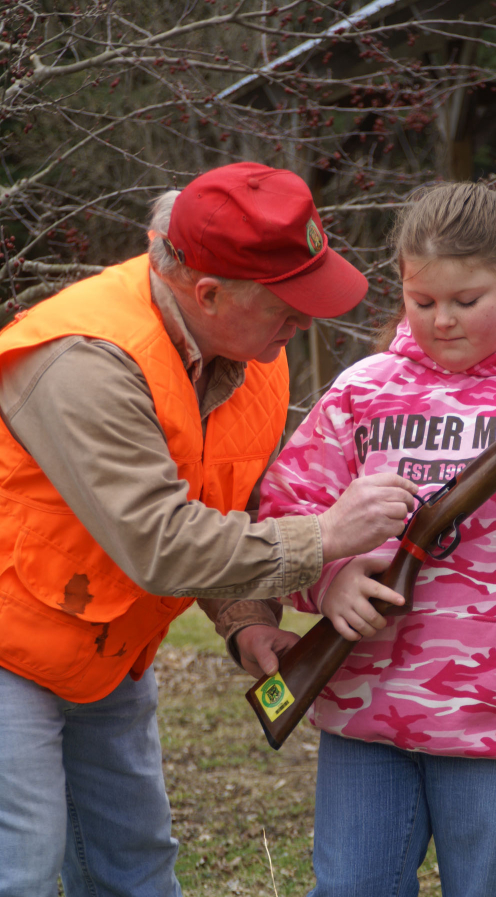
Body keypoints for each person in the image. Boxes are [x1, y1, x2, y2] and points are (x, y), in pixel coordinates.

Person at [0, 162, 418, 897]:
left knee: (135, 864)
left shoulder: (251, 351)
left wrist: (243, 621)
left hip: (108, 646)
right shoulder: (88, 360)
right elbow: (161, 539)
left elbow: (219, 499)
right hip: (9, 645)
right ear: (209, 293)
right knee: (21, 864)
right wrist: (324, 536)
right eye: (288, 306)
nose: (305, 323)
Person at [259, 181, 496, 897]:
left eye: (465, 301)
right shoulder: (362, 388)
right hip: (364, 710)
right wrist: (330, 581)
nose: (441, 321)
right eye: (423, 301)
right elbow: (281, 517)